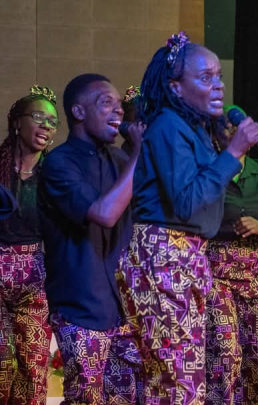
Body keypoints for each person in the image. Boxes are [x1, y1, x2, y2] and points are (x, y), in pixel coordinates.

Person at [115, 31, 258, 405]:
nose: (219, 86)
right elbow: (186, 202)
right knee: (176, 383)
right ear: (176, 88)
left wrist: (225, 151)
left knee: (181, 379)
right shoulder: (168, 125)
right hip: (163, 253)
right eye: (205, 77)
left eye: (219, 76)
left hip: (185, 255)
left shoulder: (195, 129)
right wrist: (233, 153)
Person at [39, 74, 144, 404]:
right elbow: (104, 214)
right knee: (86, 398)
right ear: (79, 112)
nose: (118, 111)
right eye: (106, 103)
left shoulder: (119, 160)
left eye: (119, 104)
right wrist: (139, 153)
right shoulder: (59, 163)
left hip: (124, 308)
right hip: (82, 306)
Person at [205, 147, 258, 405]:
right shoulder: (209, 167)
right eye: (226, 128)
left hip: (255, 268)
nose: (232, 131)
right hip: (216, 266)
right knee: (225, 351)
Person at [0, 85, 57, 405]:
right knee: (2, 365)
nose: (47, 126)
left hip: (34, 274)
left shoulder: (54, 174)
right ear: (17, 122)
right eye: (39, 117)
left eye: (52, 122)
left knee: (33, 368)